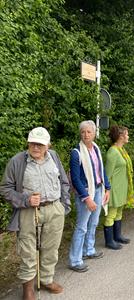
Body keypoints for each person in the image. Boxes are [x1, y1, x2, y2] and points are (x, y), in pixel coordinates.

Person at [0, 127, 71, 299]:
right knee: (27, 250)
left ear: (48, 145)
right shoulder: (17, 161)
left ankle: (46, 279)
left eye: (40, 144)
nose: (36, 147)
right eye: (33, 143)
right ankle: (28, 288)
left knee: (51, 248)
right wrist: (25, 200)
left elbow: (63, 181)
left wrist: (63, 204)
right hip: (29, 212)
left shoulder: (53, 156)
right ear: (28, 143)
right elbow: (5, 188)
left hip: (54, 209)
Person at [69, 120, 111, 272]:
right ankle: (75, 260)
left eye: (89, 132)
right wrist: (87, 198)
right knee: (81, 227)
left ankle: (89, 250)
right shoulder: (76, 152)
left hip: (98, 189)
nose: (86, 135)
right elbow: (75, 178)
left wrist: (107, 188)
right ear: (80, 134)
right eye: (83, 132)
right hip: (86, 192)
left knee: (93, 222)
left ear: (94, 133)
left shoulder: (96, 149)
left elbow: (101, 171)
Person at [104, 125, 134, 249]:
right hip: (114, 189)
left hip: (122, 187)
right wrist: (107, 190)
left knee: (119, 212)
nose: (128, 136)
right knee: (111, 214)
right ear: (120, 136)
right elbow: (107, 174)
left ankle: (117, 236)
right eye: (126, 134)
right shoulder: (113, 152)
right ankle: (109, 241)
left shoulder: (122, 150)